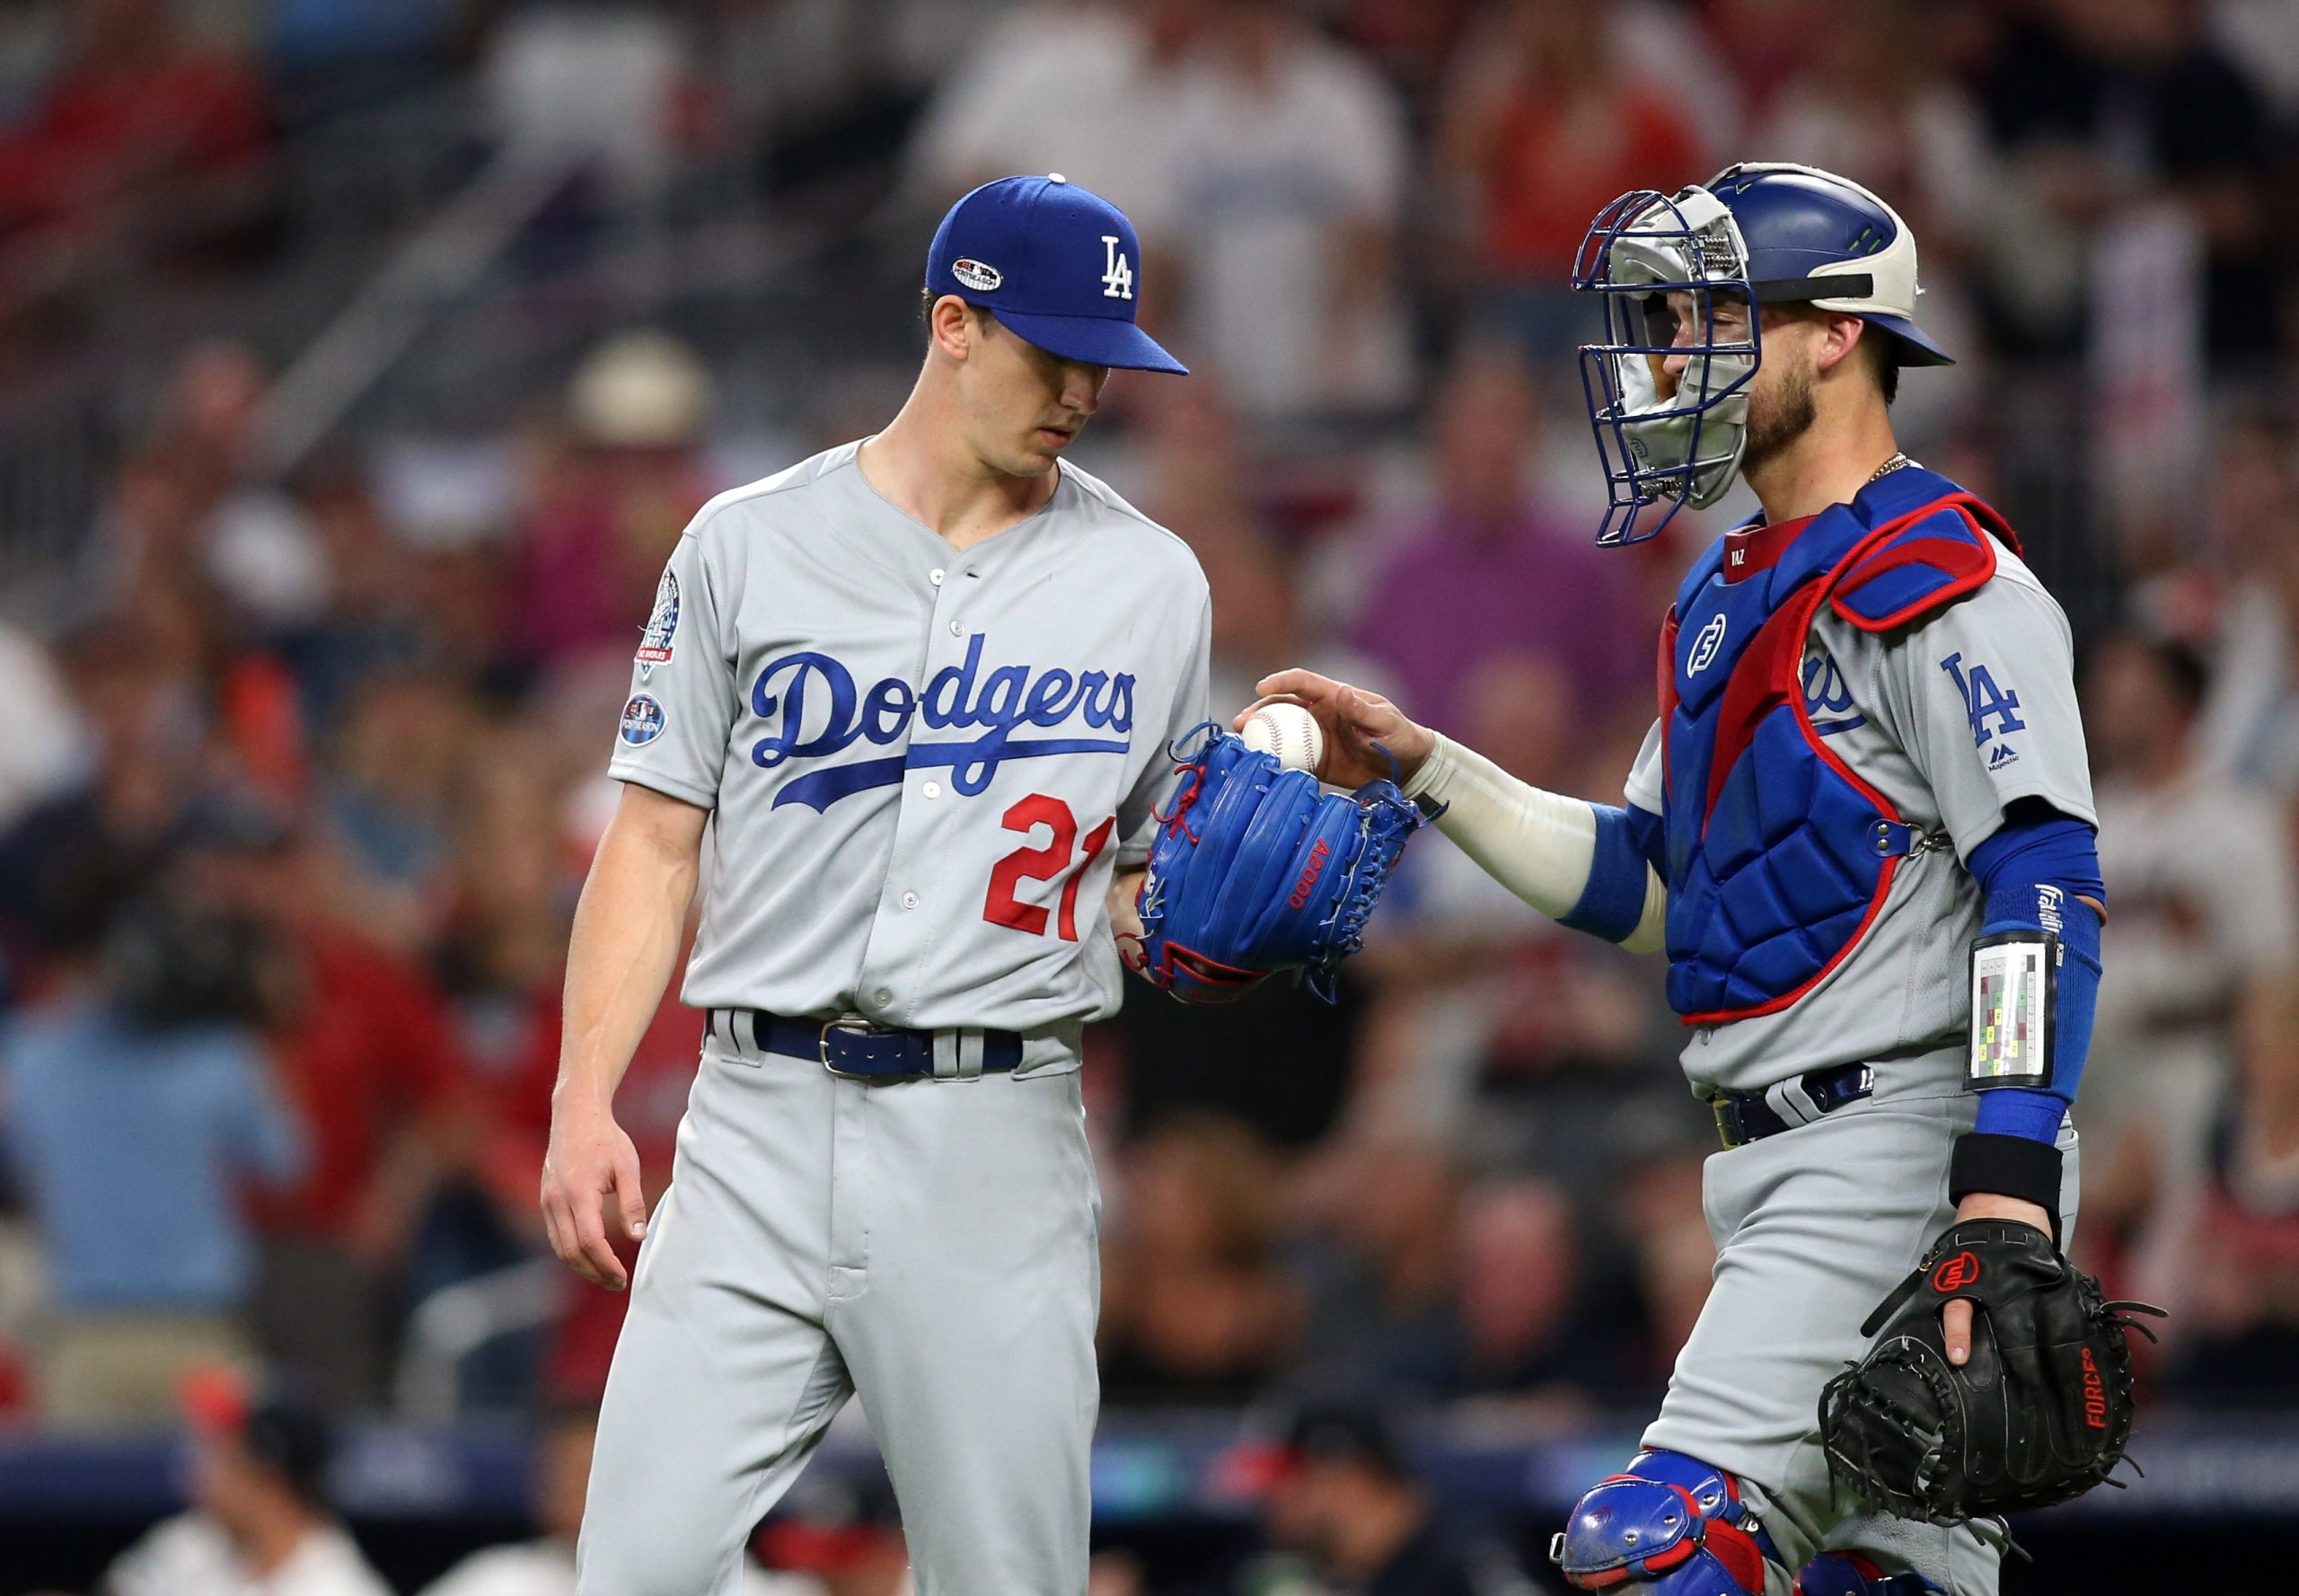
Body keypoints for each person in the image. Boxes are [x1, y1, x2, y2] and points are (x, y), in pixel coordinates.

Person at [1249, 164, 2106, 1594]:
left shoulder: (1942, 574)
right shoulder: (1729, 591)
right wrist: (1425, 766)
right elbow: (1663, 888)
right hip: (1772, 1156)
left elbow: (2043, 879)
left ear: (1836, 333)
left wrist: (2008, 1179)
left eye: (1713, 315)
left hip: (1903, 1140)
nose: (1669, 358)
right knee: (1881, 1575)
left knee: (1658, 1553)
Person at [541, 174, 1209, 1596]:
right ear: (954, 324)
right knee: (631, 1576)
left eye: (1105, 360)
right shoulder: (745, 541)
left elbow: (1145, 882)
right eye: (1052, 352)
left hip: (994, 1133)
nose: (1084, 390)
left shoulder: (1152, 583)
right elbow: (653, 844)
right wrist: (583, 1098)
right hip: (752, 1129)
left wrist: (1207, 920)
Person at [417, 1403, 812, 1596]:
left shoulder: (729, 1582)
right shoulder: (500, 1582)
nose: (574, 1492)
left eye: (588, 1476)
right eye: (561, 1474)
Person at [100, 1371, 391, 1596]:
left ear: (270, 1483)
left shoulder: (342, 1587)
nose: (204, 1477)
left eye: (227, 1459)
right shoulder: (189, 1544)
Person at [1241, 1403, 1546, 1596]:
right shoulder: (1310, 1573)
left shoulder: (1467, 1558)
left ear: (1346, 1480)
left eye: (1291, 1483)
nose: (1275, 1501)